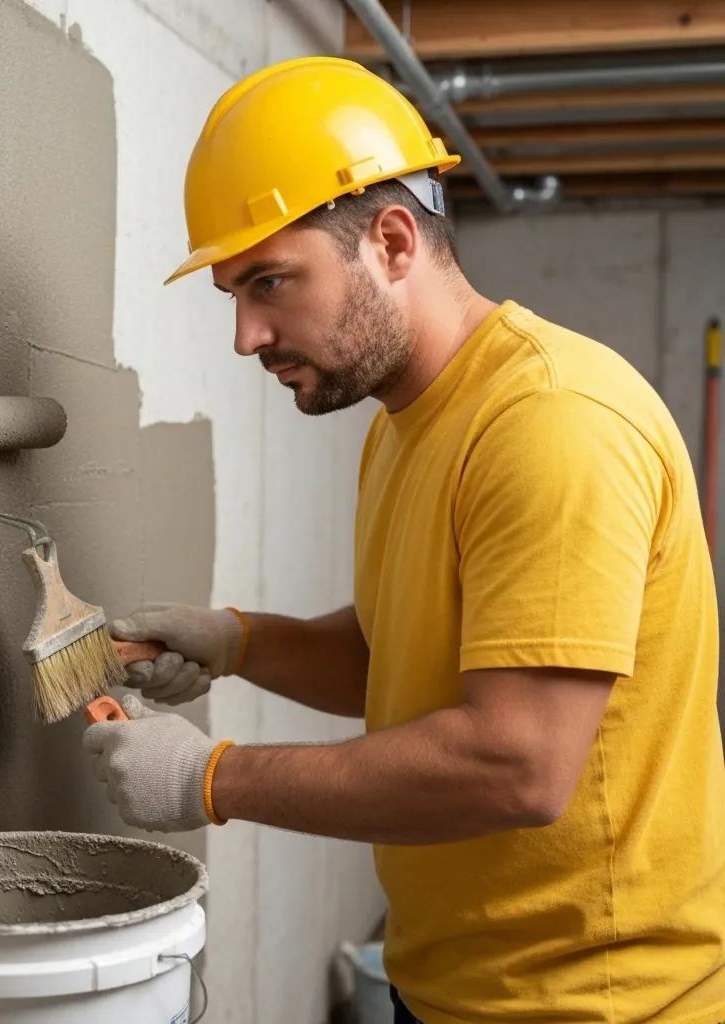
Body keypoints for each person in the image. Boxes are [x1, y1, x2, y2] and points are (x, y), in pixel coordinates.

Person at [82, 57, 725, 1023]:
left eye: (271, 282)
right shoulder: (405, 420)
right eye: (233, 296)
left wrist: (212, 779)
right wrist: (237, 639)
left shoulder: (552, 423)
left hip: (594, 1005)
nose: (247, 336)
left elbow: (519, 762)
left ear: (390, 241)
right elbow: (404, 658)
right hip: (454, 984)